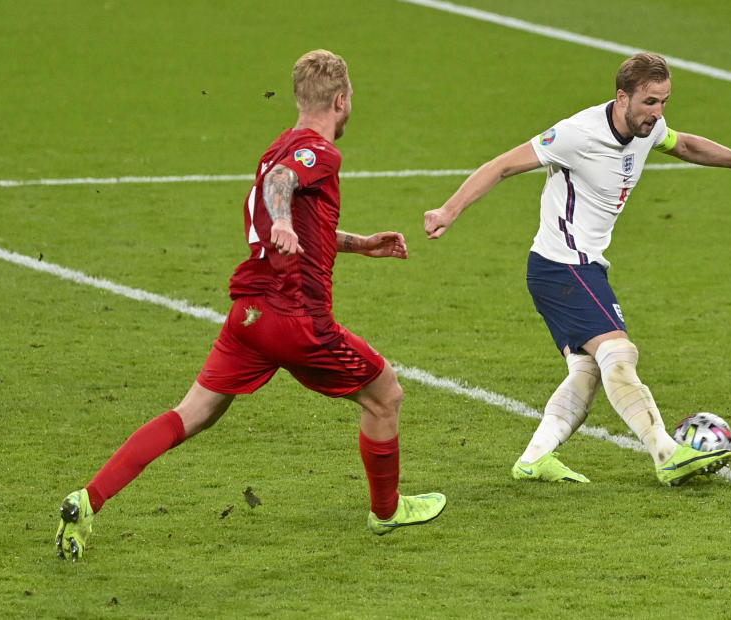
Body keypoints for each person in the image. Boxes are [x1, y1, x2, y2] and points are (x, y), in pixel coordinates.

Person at [55, 50, 446, 561]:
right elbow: (282, 187)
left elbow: (296, 213)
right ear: (342, 101)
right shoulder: (317, 153)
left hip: (250, 316)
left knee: (192, 414)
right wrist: (282, 220)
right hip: (298, 319)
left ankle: (88, 500)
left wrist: (360, 243)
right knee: (385, 395)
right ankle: (387, 511)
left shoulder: (275, 147)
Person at [424, 52, 731, 486]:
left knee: (588, 370)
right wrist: (448, 210)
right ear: (622, 96)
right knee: (619, 353)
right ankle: (666, 452)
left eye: (665, 102)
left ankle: (534, 458)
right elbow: (503, 166)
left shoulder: (649, 128)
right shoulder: (577, 134)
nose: (658, 113)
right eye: (650, 102)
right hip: (561, 267)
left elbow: (683, 144)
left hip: (585, 267)